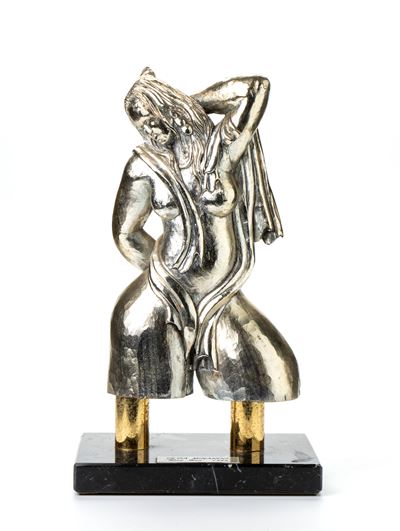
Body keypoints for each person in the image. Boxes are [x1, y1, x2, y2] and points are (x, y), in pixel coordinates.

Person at [108, 68, 300, 402]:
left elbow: (254, 89)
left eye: (152, 118)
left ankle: (247, 440)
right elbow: (126, 233)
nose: (150, 130)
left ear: (169, 110)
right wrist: (170, 275)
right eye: (141, 125)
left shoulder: (220, 150)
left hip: (222, 295)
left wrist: (189, 104)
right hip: (164, 294)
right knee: (139, 385)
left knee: (268, 375)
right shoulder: (143, 166)